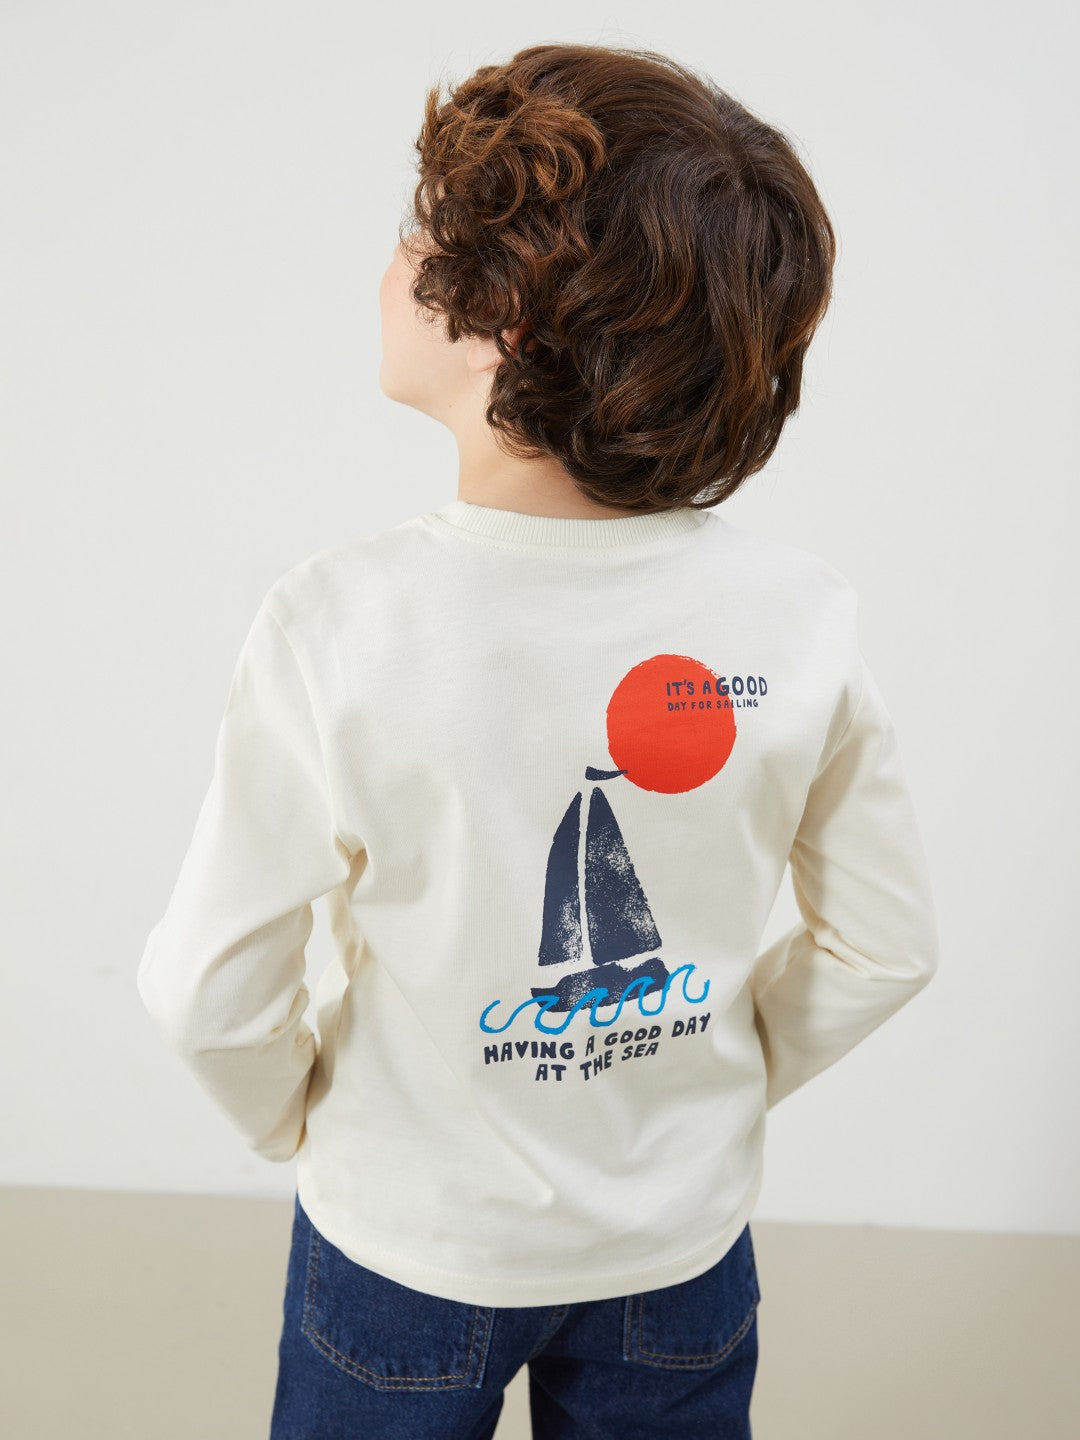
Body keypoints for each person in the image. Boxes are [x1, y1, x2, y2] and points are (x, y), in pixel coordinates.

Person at [136, 41, 940, 1440]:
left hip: (409, 1244)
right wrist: (719, 1074)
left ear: (500, 316)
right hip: (677, 1248)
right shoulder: (797, 618)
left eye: (420, 235)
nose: (392, 263)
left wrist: (300, 1122)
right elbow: (888, 945)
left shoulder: (343, 623)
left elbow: (208, 986)